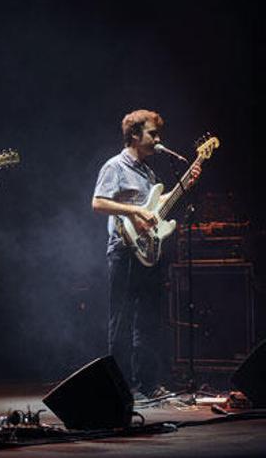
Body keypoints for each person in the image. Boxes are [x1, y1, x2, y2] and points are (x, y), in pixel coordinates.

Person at [91, 109, 199, 398]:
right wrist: (134, 210)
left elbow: (156, 206)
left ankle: (148, 384)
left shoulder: (148, 172)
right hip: (124, 252)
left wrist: (184, 184)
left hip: (149, 251)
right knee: (122, 323)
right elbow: (98, 203)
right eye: (152, 133)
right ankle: (120, 388)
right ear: (135, 135)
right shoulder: (115, 167)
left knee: (150, 322)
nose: (157, 139)